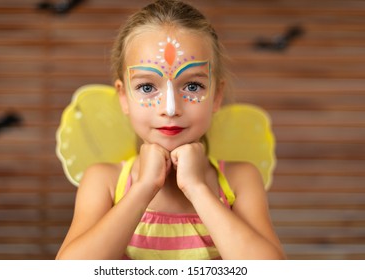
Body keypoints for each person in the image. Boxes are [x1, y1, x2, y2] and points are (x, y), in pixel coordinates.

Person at [56, 0, 285, 260]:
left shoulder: (239, 180)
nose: (170, 108)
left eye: (192, 87)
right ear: (123, 96)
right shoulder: (104, 182)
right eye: (146, 87)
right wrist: (143, 188)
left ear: (217, 95)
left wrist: (197, 188)